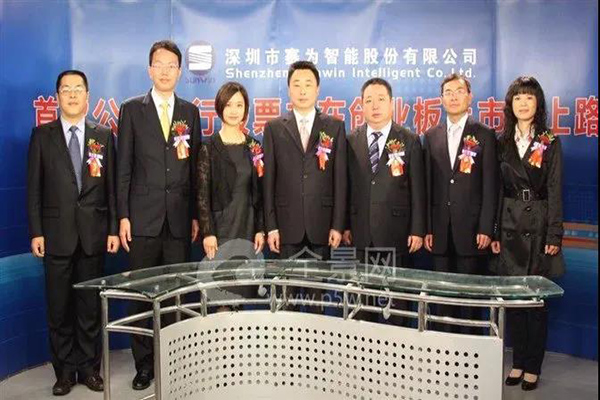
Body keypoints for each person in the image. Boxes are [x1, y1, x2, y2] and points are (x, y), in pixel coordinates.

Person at [27, 70, 119, 395]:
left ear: (88, 96)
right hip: (56, 235)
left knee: (89, 308)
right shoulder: (42, 135)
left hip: (93, 234)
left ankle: (90, 370)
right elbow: (33, 189)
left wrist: (112, 229)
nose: (72, 94)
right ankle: (64, 373)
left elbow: (111, 189)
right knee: (59, 309)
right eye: (66, 89)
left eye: (78, 89)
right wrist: (37, 231)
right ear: (57, 97)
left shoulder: (102, 135)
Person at [116, 40, 201, 390]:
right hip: (142, 219)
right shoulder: (132, 110)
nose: (165, 71)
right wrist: (123, 215)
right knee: (142, 295)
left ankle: (173, 361)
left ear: (179, 71)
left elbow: (195, 169)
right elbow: (123, 168)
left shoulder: (189, 112)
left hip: (179, 219)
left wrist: (195, 215)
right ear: (150, 69)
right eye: (159, 65)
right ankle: (144, 365)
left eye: (171, 65)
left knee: (175, 296)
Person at [491, 76, 565, 391]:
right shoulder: (501, 141)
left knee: (536, 301)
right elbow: (495, 190)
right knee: (514, 301)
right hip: (508, 225)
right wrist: (495, 231)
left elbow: (555, 189)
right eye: (518, 98)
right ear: (510, 104)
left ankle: (533, 365)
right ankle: (518, 361)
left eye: (529, 98)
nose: (523, 103)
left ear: (538, 104)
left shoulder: (549, 140)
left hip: (538, 225)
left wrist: (554, 235)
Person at [263, 60, 346, 310]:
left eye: (308, 84)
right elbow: (268, 181)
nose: (302, 90)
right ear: (288, 89)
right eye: (296, 84)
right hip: (285, 228)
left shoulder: (334, 126)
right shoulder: (274, 128)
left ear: (317, 89)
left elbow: (340, 180)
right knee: (285, 301)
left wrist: (337, 225)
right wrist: (271, 226)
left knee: (316, 301)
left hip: (321, 225)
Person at [344, 78, 425, 323]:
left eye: (381, 99)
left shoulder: (409, 139)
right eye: (369, 100)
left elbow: (418, 189)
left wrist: (418, 230)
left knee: (396, 308)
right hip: (360, 235)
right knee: (361, 307)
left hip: (396, 234)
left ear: (391, 103)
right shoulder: (350, 140)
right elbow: (345, 187)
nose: (375, 106)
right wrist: (345, 225)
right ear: (361, 106)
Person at [423, 73, 497, 333]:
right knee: (442, 301)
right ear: (441, 99)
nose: (453, 97)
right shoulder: (430, 136)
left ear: (470, 97)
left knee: (471, 302)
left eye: (459, 91)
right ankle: (444, 351)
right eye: (448, 92)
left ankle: (473, 350)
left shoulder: (484, 135)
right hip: (439, 232)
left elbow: (491, 185)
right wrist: (427, 228)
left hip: (473, 232)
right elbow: (427, 187)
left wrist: (487, 228)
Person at [197, 82, 265, 309]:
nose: (234, 110)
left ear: (246, 110)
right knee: (221, 295)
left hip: (246, 226)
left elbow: (260, 192)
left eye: (239, 105)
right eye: (228, 105)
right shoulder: (209, 147)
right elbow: (202, 194)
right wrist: (208, 232)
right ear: (220, 107)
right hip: (221, 231)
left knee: (242, 293)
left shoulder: (254, 146)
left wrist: (260, 229)